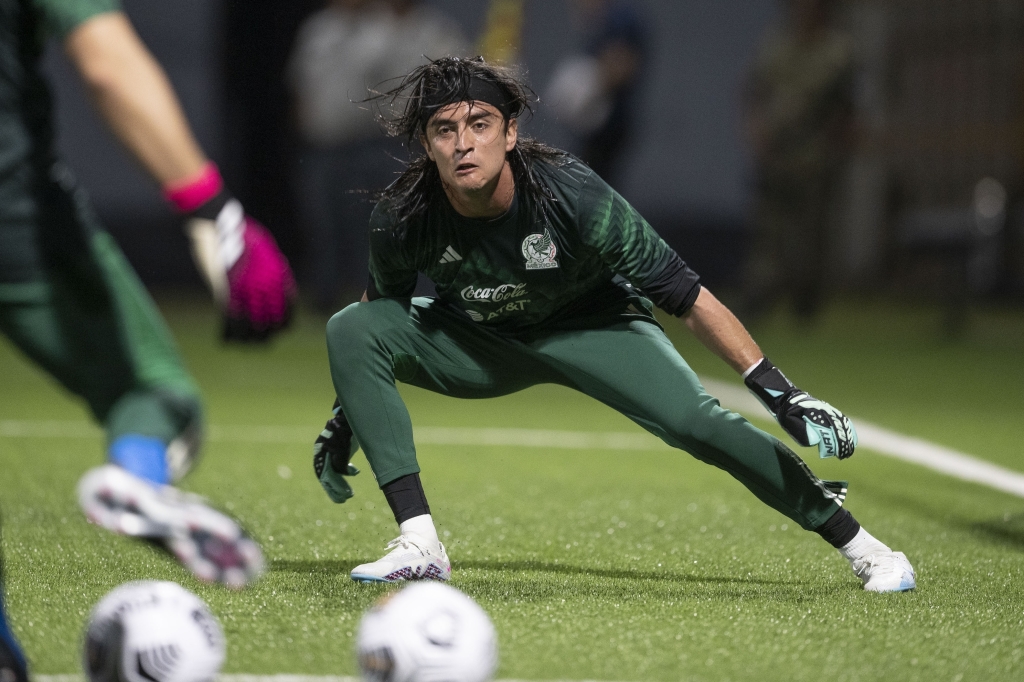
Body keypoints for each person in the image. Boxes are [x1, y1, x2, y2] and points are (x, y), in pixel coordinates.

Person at [310, 56, 915, 594]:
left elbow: (686, 294)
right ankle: (421, 545)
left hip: (592, 327)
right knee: (349, 325)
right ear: (427, 144)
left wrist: (781, 393)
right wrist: (350, 417)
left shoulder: (572, 194)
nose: (463, 143)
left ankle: (868, 551)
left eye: (480, 124)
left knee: (698, 425)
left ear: (511, 132)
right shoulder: (404, 214)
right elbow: (379, 314)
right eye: (445, 129)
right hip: (481, 338)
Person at [0, 1, 297, 673]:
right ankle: (137, 478)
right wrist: (213, 210)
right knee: (154, 390)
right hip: (17, 218)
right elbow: (107, 63)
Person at [289, 0, 467, 312]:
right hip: (324, 146)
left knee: (388, 227)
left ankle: (389, 299)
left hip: (386, 144)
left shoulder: (423, 28)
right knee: (324, 228)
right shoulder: (319, 29)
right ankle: (325, 301)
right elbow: (301, 85)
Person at [741, 0, 855, 323]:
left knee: (809, 238)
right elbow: (753, 92)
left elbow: (845, 109)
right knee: (767, 234)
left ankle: (805, 305)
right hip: (775, 156)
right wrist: (755, 133)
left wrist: (834, 150)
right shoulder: (775, 45)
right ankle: (758, 299)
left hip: (813, 158)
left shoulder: (837, 51)